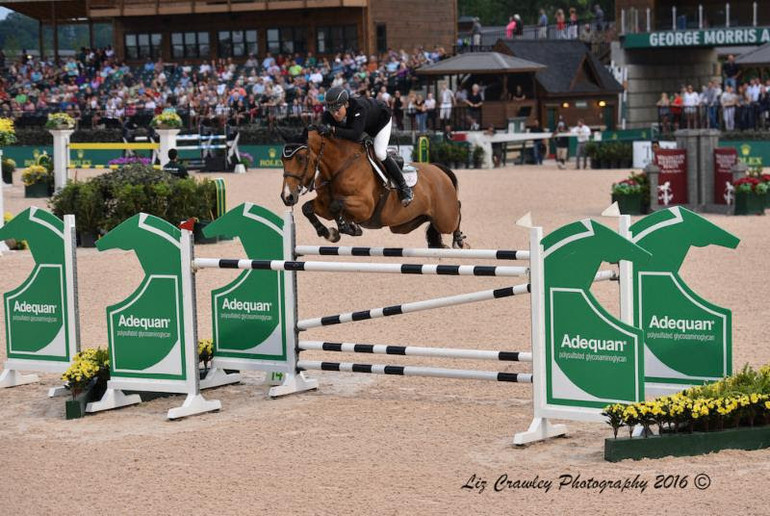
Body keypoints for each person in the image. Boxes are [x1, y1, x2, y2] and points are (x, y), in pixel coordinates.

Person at [320, 86, 413, 206]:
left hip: (380, 121)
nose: (335, 114)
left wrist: (332, 129)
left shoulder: (359, 108)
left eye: (338, 110)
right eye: (331, 111)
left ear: (346, 104)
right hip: (363, 126)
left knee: (379, 153)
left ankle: (404, 187)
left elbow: (354, 134)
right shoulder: (331, 114)